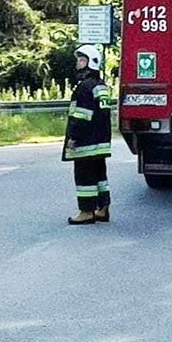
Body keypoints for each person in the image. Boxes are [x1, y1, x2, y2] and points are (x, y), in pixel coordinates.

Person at [62, 45, 113, 225]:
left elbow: (81, 115)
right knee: (100, 176)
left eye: (81, 60)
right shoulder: (101, 86)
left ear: (89, 63)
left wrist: (73, 137)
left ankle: (86, 212)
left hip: (86, 142)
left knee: (84, 177)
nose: (78, 63)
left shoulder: (84, 87)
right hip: (100, 141)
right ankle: (103, 209)